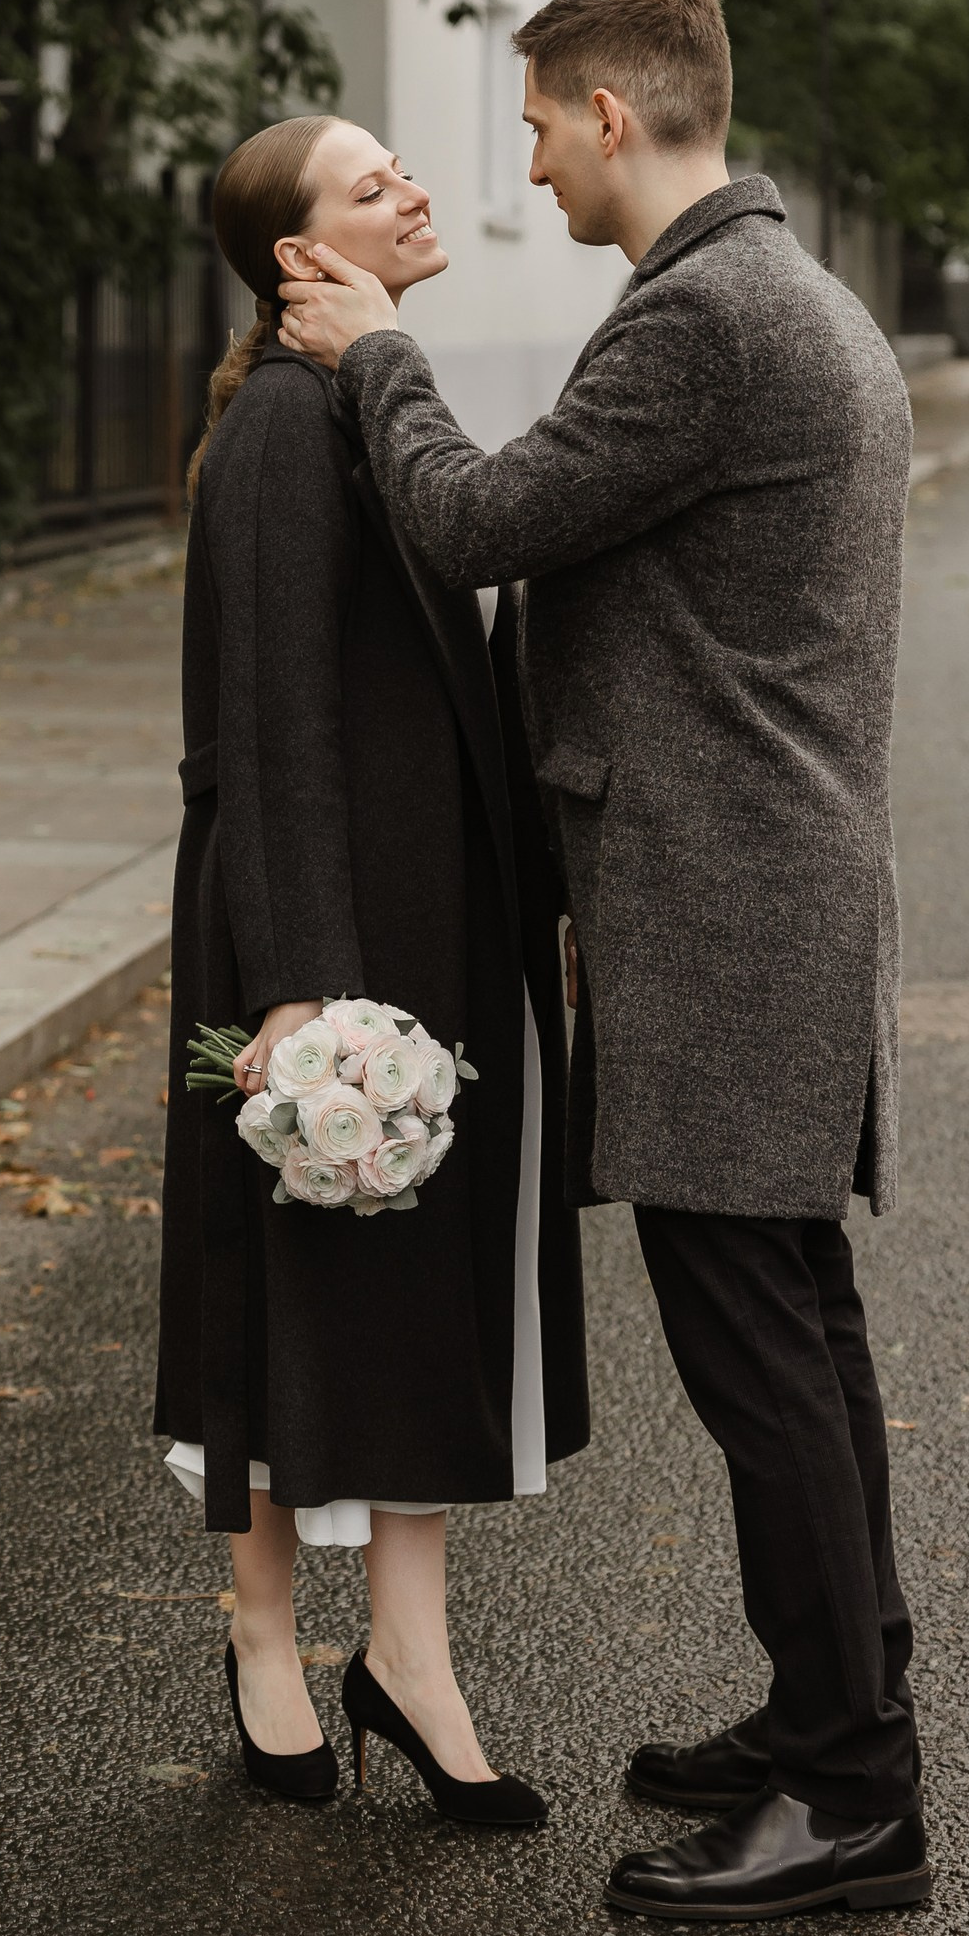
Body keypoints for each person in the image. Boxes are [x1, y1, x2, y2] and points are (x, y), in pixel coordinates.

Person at [278, 0, 929, 1922]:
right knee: (795, 1339)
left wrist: (373, 348)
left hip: (729, 920)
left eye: (541, 118)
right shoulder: (758, 299)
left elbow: (477, 522)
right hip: (765, 902)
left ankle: (850, 1796)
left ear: (620, 117)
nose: (527, 156)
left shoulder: (711, 324)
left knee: (763, 1360)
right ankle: (838, 1715)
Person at [155, 112, 589, 1821]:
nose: (412, 186)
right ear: (298, 255)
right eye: (369, 181)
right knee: (292, 1280)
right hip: (314, 937)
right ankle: (266, 1641)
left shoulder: (376, 395)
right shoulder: (277, 426)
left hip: (437, 928)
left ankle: (409, 1659)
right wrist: (303, 993)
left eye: (407, 166)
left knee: (417, 1300)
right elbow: (272, 733)